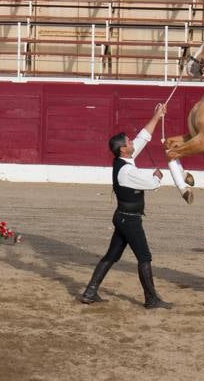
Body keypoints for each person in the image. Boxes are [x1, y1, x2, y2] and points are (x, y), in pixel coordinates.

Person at [80, 103, 172, 309]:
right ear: (123, 148)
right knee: (144, 256)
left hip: (123, 217)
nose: (132, 142)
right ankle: (151, 299)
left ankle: (90, 292)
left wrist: (157, 115)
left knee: (112, 255)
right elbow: (151, 183)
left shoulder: (124, 160)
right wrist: (157, 176)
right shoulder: (126, 171)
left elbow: (143, 137)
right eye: (129, 142)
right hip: (129, 220)